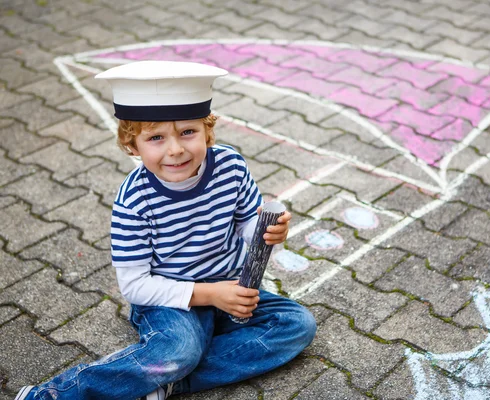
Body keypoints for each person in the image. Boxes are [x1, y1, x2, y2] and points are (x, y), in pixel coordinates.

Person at [15, 60, 317, 400]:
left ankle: (167, 381)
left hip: (232, 288)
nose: (175, 149)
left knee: (296, 326)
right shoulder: (134, 201)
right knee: (180, 351)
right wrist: (210, 295)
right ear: (133, 146)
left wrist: (270, 234)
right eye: (156, 138)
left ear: (207, 131)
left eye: (188, 132)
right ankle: (52, 394)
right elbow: (135, 286)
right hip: (169, 300)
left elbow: (248, 225)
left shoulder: (231, 167)